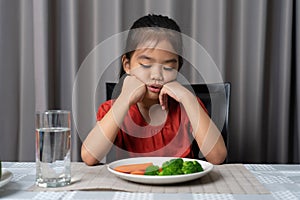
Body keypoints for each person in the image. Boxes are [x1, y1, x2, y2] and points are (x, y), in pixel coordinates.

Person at [81, 14, 227, 166]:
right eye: (145, 65)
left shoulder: (188, 106)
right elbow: (89, 157)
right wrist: (124, 99)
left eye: (168, 67)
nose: (157, 75)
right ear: (127, 65)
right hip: (131, 188)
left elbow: (217, 157)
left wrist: (187, 97)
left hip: (180, 188)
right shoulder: (112, 108)